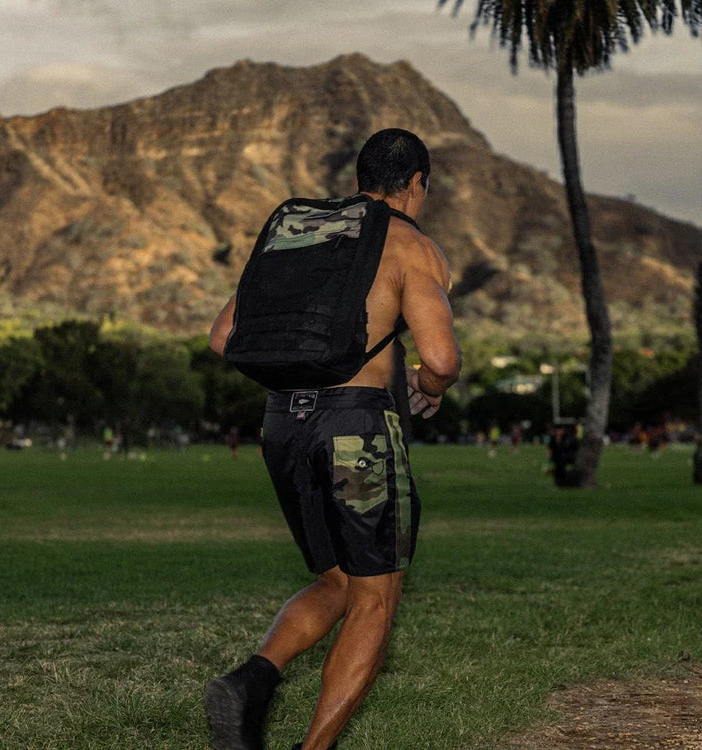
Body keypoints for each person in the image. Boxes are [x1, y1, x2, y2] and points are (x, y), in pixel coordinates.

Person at [205, 128, 461, 750]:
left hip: (282, 426)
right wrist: (429, 384)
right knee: (376, 597)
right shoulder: (409, 244)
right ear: (417, 184)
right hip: (357, 429)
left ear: (358, 179)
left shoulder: (301, 236)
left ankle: (252, 682)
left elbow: (221, 337)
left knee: (338, 582)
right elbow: (442, 357)